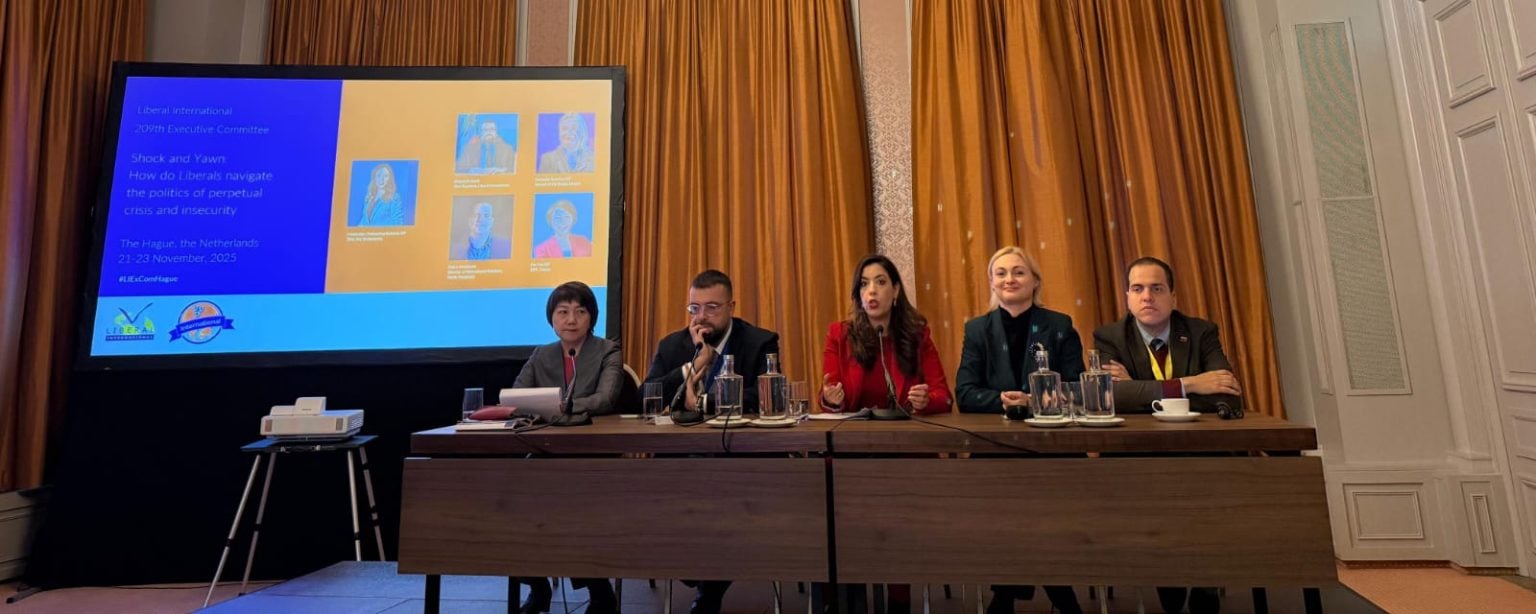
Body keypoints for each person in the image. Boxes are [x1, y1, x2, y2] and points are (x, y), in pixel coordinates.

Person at [1093, 256, 1242, 614]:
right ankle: (1169, 577)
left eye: (1157, 288)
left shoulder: (1201, 332)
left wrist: (1140, 389)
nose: (1147, 296)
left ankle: (1204, 579)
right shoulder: (1110, 337)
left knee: (1208, 489)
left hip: (1200, 452)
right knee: (1154, 494)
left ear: (1173, 296)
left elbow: (1225, 394)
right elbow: (1111, 398)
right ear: (1127, 297)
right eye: (1138, 288)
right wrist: (1190, 384)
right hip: (1138, 455)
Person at [953, 246, 1084, 614]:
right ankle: (1018, 591)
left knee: (1050, 517)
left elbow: (1076, 388)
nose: (1009, 279)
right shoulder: (977, 329)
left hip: (1053, 448)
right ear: (992, 282)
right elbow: (965, 393)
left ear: (1035, 281)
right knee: (1002, 516)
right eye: (1001, 273)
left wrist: (1037, 398)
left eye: (1018, 272)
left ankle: (1044, 590)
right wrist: (1001, 401)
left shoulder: (1059, 325)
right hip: (997, 447)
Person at [642, 269, 780, 614]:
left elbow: (762, 394)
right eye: (694, 308)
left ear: (731, 307)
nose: (701, 317)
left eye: (712, 308)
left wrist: (704, 402)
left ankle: (710, 588)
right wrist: (692, 367)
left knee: (721, 503)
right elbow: (645, 396)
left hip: (739, 459)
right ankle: (701, 573)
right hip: (678, 460)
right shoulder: (672, 345)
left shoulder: (759, 341)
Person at [511, 281, 625, 614]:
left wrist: (558, 407)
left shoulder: (607, 350)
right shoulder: (541, 354)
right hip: (546, 452)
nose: (571, 319)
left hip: (594, 454)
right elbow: (516, 398)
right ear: (552, 318)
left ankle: (600, 591)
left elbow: (605, 399)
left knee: (572, 503)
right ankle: (537, 586)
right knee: (513, 498)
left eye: (580, 311)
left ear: (592, 317)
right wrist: (555, 410)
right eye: (562, 312)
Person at [821, 254, 951, 415]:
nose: (872, 291)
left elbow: (944, 397)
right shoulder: (839, 335)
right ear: (858, 294)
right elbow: (828, 393)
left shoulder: (917, 336)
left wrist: (927, 401)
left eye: (880, 282)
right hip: (856, 429)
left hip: (905, 429)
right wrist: (831, 399)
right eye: (864, 284)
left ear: (895, 290)